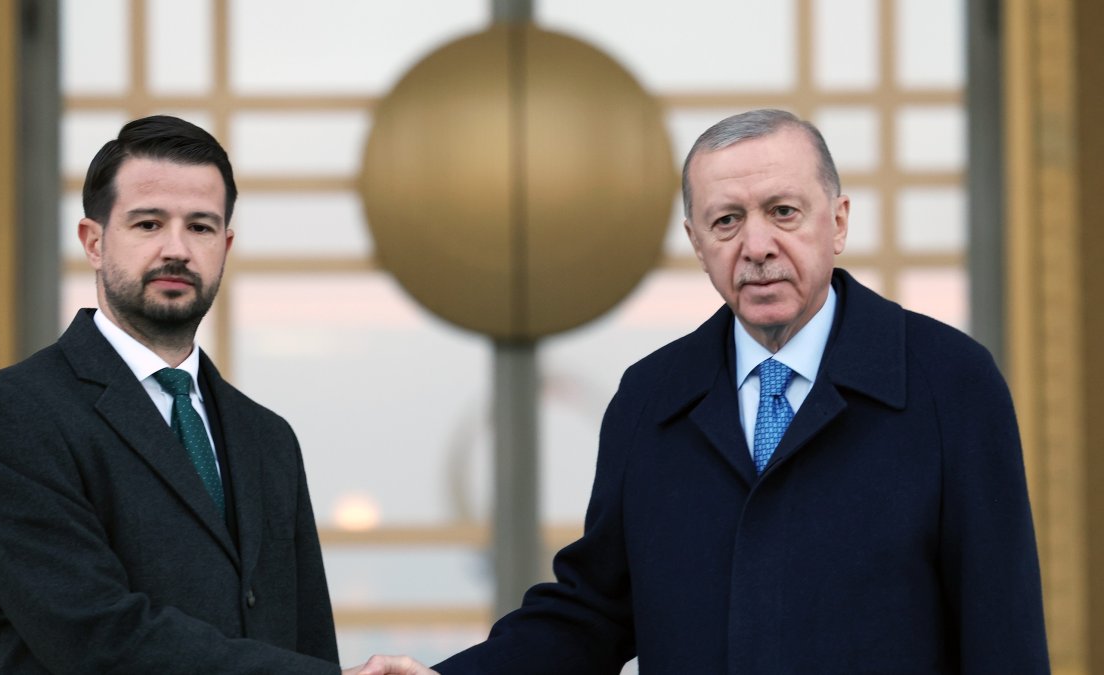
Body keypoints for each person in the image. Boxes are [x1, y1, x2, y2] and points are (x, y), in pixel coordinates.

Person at [361, 109, 1050, 674]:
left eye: (783, 212)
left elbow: (1002, 631)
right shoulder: (651, 397)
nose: (755, 245)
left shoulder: (949, 381)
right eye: (726, 221)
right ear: (695, 241)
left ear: (837, 222)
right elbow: (592, 612)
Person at [0, 115, 377, 674]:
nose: (176, 249)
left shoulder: (268, 437)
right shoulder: (13, 413)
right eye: (149, 224)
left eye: (200, 228)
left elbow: (308, 638)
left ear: (225, 246)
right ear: (94, 241)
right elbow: (94, 635)